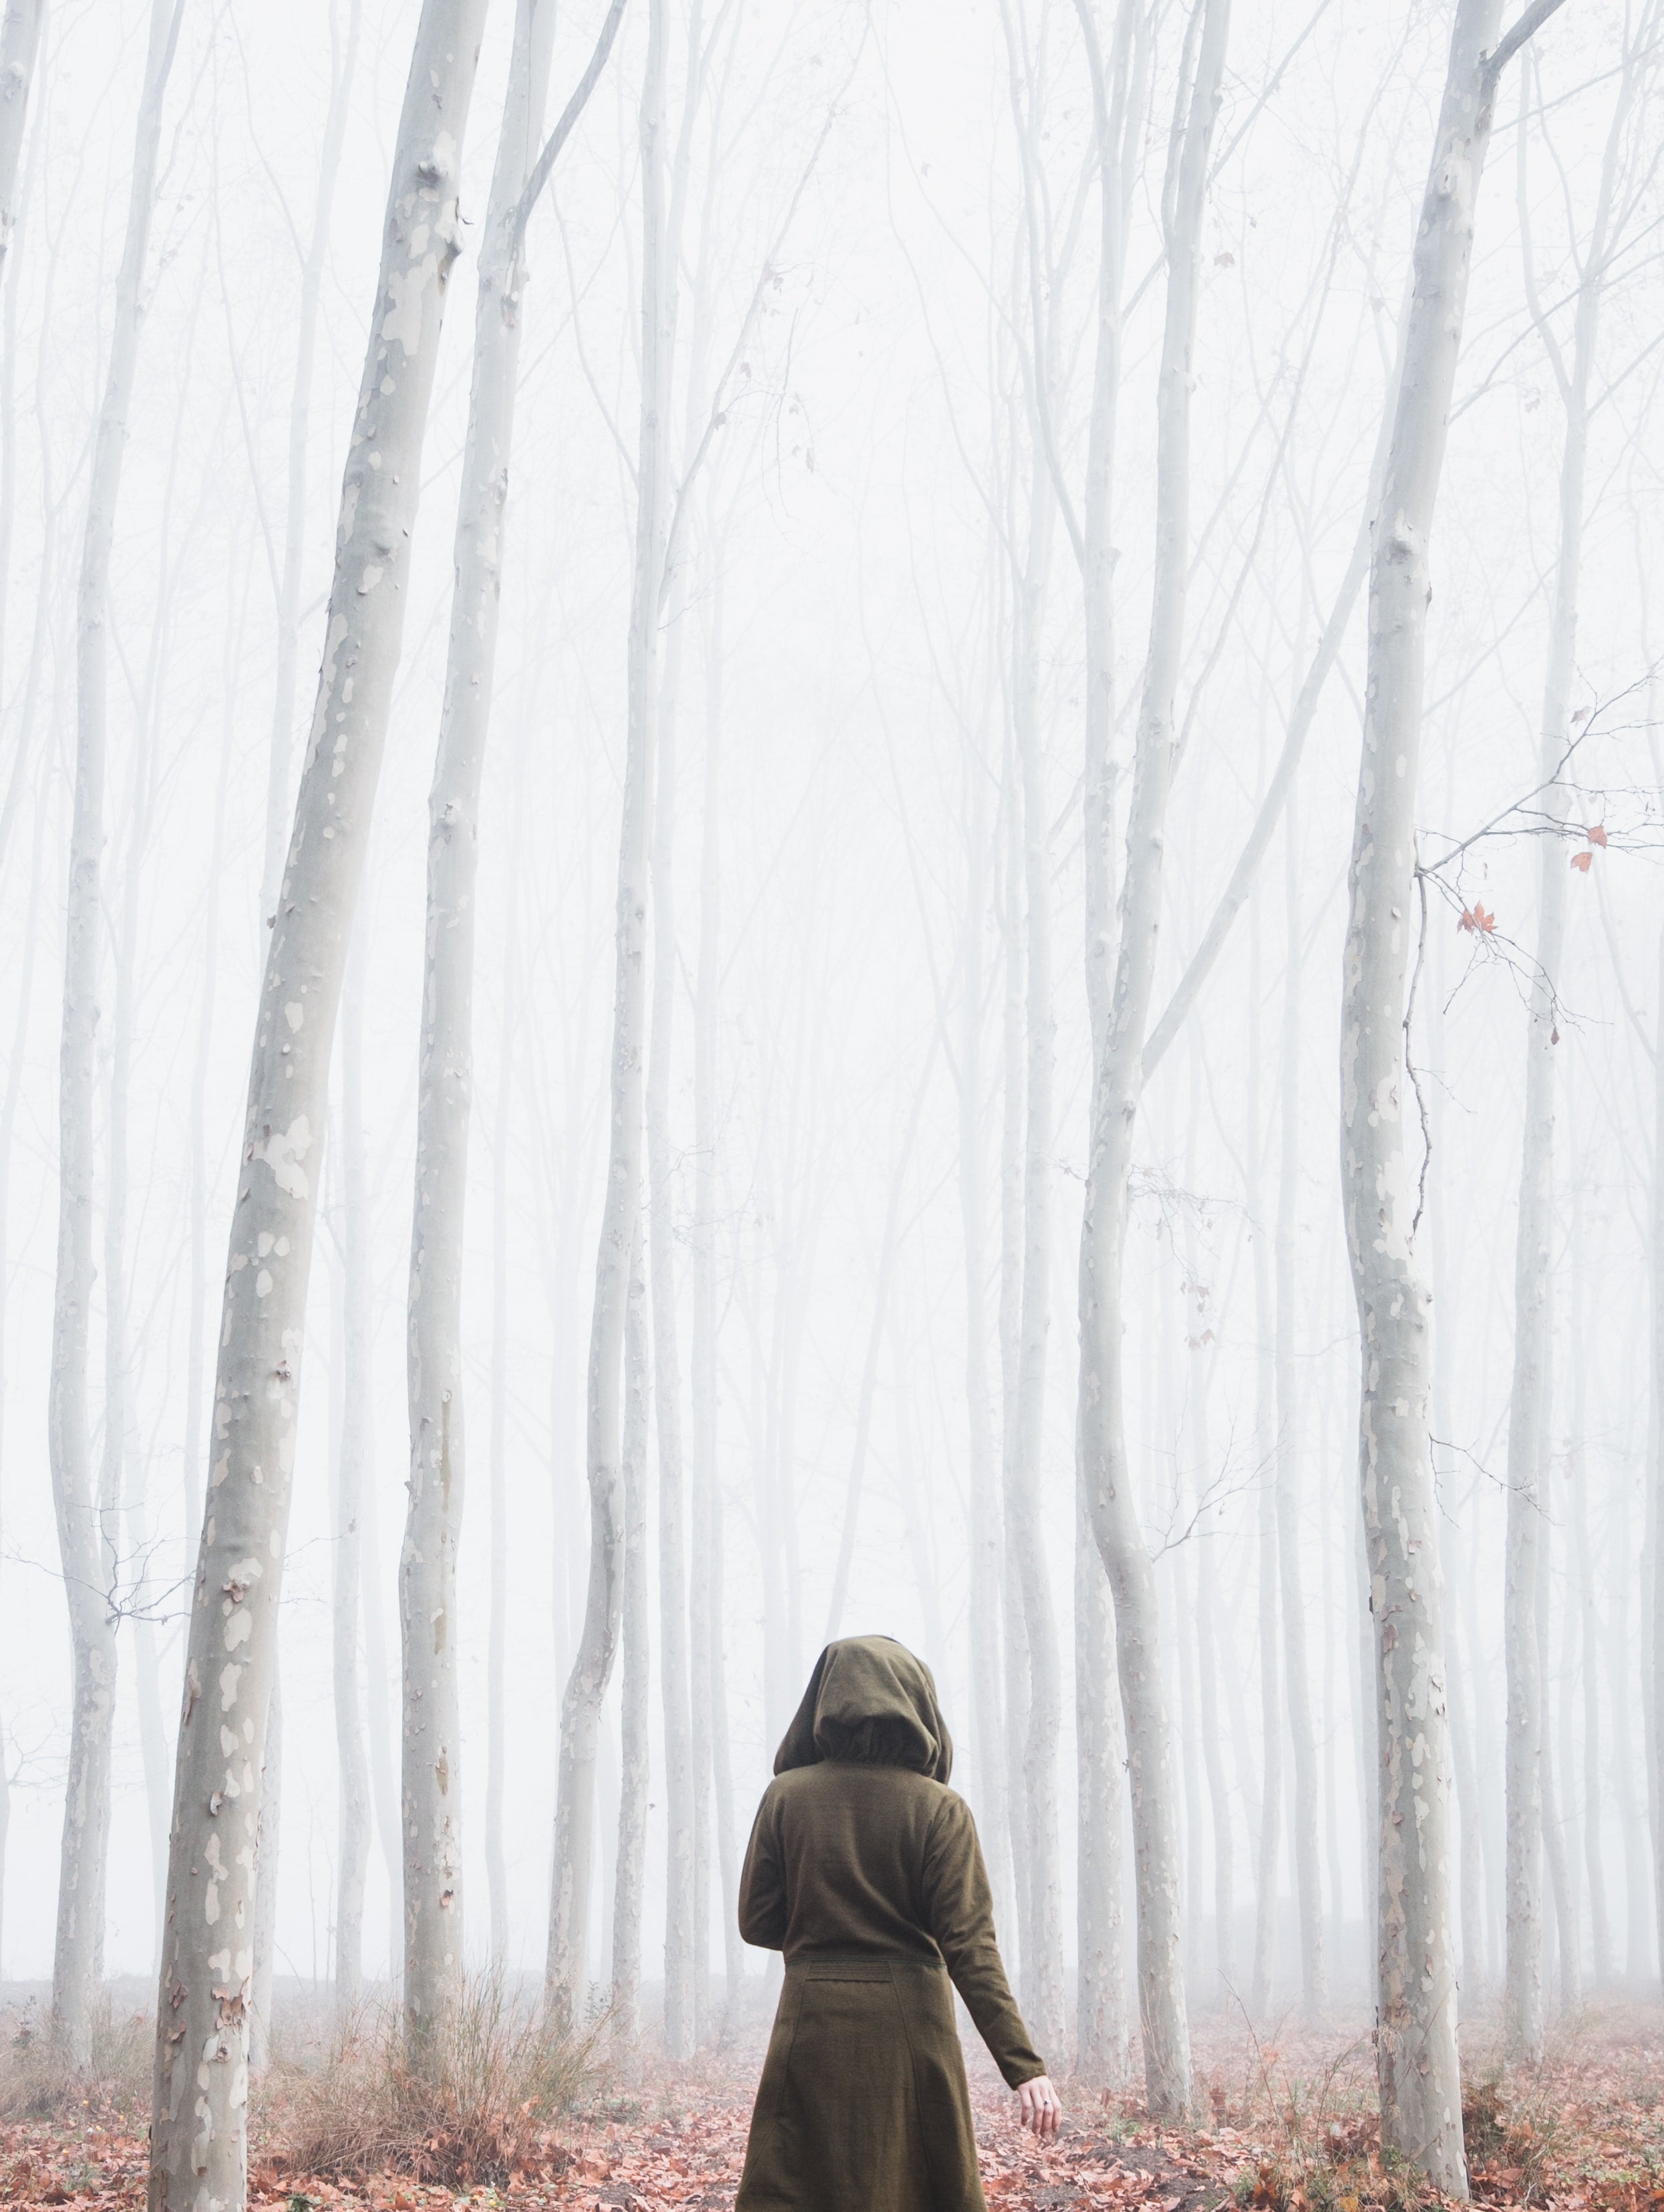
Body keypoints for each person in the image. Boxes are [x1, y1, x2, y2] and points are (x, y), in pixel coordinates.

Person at [733, 1634, 1061, 2212]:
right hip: (914, 2030)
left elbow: (758, 1923)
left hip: (811, 2026)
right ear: (915, 1701)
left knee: (799, 2186)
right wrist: (1022, 2066)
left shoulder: (785, 1797)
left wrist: (821, 1934)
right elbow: (970, 1948)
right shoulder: (940, 1809)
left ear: (826, 1700)